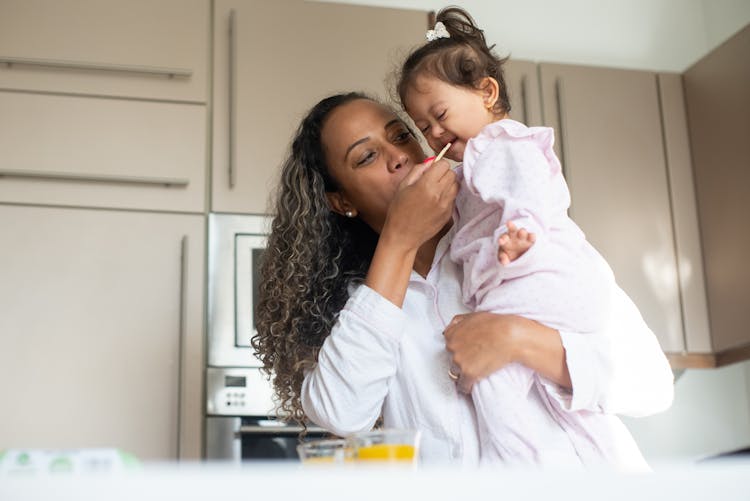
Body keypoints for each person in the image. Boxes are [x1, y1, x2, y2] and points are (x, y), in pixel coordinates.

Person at [251, 91, 674, 468]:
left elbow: (652, 383)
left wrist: (517, 338)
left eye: (401, 136)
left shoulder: (517, 231)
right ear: (342, 200)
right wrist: (398, 241)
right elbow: (340, 412)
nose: (398, 156)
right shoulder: (361, 306)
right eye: (366, 157)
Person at [395, 7, 647, 468]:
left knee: (491, 379)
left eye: (440, 115)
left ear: (487, 92)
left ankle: (510, 470)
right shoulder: (471, 170)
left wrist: (522, 230)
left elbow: (529, 185)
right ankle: (579, 460)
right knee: (523, 387)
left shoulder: (503, 143)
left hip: (539, 278)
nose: (434, 135)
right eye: (424, 127)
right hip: (532, 288)